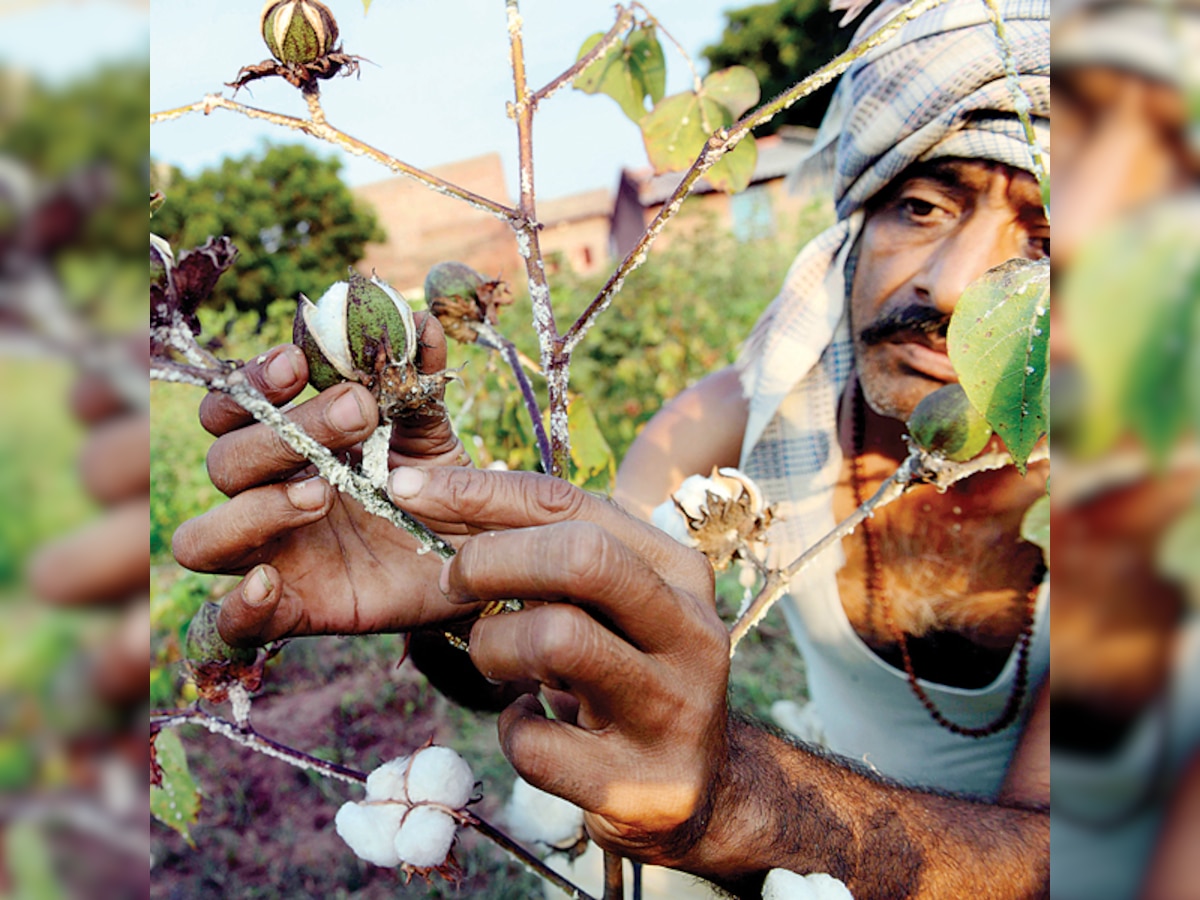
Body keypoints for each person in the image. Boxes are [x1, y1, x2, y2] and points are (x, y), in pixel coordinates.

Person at [172, 0, 1054, 895]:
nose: (950, 284)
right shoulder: (733, 421)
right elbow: (582, 669)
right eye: (921, 204)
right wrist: (455, 583)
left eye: (1046, 239)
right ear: (856, 219)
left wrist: (735, 798)